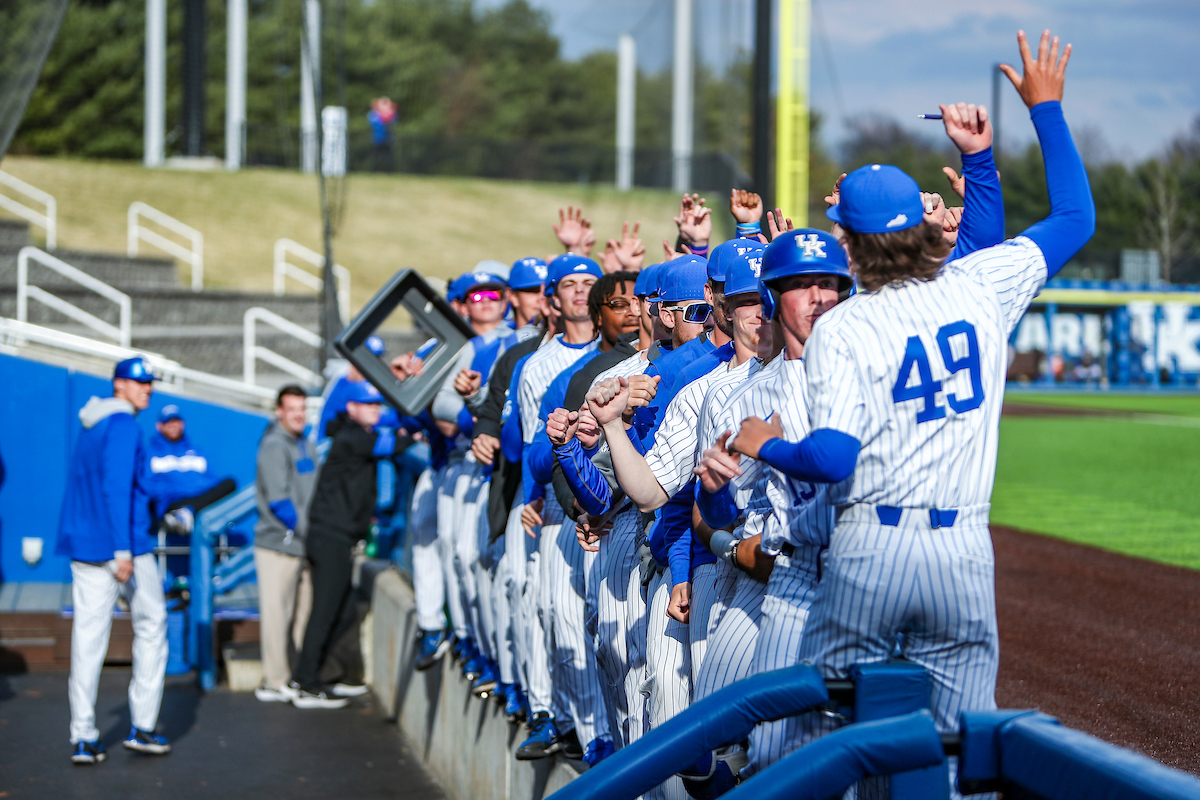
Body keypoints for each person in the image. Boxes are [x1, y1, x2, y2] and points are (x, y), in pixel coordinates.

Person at [736, 29, 1093, 792]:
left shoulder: (847, 325)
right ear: (928, 228)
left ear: (849, 244)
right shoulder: (978, 287)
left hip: (873, 551)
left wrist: (767, 444)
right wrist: (1046, 110)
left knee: (815, 737)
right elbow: (1075, 217)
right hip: (964, 552)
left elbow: (830, 458)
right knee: (960, 753)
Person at [55, 356, 170, 764]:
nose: (148, 389)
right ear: (119, 384)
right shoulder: (123, 423)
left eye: (149, 383)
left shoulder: (91, 421)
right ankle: (142, 726)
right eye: (139, 382)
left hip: (86, 546)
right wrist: (123, 550)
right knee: (152, 626)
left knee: (87, 640)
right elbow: (116, 488)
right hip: (126, 547)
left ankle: (83, 736)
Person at [294, 381, 415, 708]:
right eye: (367, 404)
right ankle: (305, 682)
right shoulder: (351, 437)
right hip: (330, 535)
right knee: (324, 611)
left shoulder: (354, 433)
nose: (374, 408)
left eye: (377, 404)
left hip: (338, 535)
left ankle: (336, 674)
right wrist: (415, 434)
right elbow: (391, 444)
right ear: (351, 408)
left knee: (345, 609)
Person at [252, 385, 317, 703]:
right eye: (292, 409)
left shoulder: (304, 442)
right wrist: (310, 532)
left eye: (302, 408)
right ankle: (274, 681)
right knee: (278, 616)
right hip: (278, 544)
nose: (298, 415)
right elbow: (280, 502)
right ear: (279, 411)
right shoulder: (275, 445)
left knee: (302, 615)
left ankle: (296, 676)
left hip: (300, 544)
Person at [145, 404, 236, 536]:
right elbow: (149, 485)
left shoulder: (197, 451)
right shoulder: (151, 453)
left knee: (230, 483)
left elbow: (212, 480)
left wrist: (197, 489)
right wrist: (175, 490)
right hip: (173, 502)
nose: (173, 425)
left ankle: (188, 512)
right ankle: (183, 513)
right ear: (160, 426)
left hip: (200, 499)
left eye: (176, 421)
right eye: (168, 422)